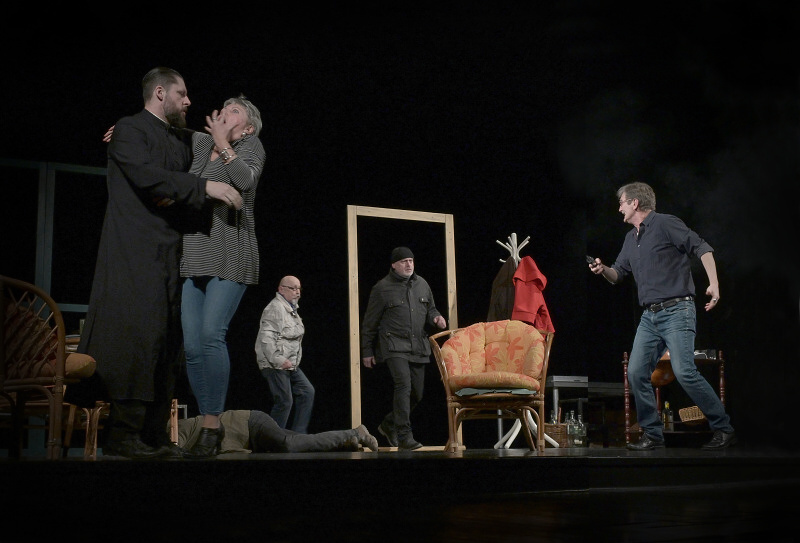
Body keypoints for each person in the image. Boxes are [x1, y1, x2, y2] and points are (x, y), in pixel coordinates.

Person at [67, 67, 243, 459]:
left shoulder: (180, 138)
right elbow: (147, 176)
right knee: (138, 336)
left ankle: (155, 433)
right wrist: (204, 186)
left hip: (172, 251)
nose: (189, 101)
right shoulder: (131, 129)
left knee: (167, 341)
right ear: (160, 92)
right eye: (182, 94)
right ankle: (124, 432)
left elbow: (204, 146)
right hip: (134, 249)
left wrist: (190, 177)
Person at [588, 181, 736, 451]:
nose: (619, 208)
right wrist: (602, 269)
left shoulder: (666, 224)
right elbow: (617, 274)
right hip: (650, 317)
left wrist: (714, 284)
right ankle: (653, 435)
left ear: (634, 203)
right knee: (636, 372)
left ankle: (723, 428)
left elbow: (703, 248)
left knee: (684, 371)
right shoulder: (630, 239)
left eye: (621, 203)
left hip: (678, 310)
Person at [179, 95, 266, 458]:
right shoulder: (202, 144)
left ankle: (211, 425)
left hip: (231, 251)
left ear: (247, 127)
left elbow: (245, 181)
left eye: (235, 111)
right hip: (195, 251)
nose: (226, 113)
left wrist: (223, 143)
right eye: (225, 107)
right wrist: (126, 129)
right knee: (192, 346)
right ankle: (208, 421)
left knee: (211, 335)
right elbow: (169, 132)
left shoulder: (251, 146)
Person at [360, 247, 447, 450]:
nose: (409, 264)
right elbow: (370, 323)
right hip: (393, 345)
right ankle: (404, 436)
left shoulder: (422, 284)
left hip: (418, 346)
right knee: (403, 385)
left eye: (411, 261)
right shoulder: (382, 288)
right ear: (393, 265)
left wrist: (436, 317)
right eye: (404, 261)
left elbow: (430, 308)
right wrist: (367, 351)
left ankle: (389, 424)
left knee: (417, 393)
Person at [255, 276, 315, 433]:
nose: (297, 292)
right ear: (281, 289)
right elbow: (266, 338)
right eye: (293, 288)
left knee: (307, 392)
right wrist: (278, 359)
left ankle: (298, 435)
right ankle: (271, 438)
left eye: (299, 288)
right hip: (274, 363)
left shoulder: (291, 309)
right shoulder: (275, 308)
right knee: (284, 401)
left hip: (289, 363)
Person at [174, 409, 379, 454]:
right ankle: (347, 442)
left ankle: (356, 432)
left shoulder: (174, 427)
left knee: (289, 445)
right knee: (302, 442)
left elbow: (177, 449)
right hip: (250, 440)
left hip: (251, 424)